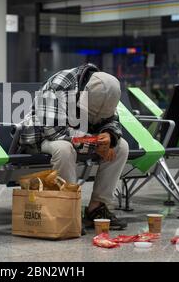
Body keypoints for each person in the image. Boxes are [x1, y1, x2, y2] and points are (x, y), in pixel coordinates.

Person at [19, 63, 129, 230]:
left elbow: (112, 121)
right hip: (40, 138)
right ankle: (69, 210)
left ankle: (97, 208)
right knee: (64, 149)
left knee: (121, 147)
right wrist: (94, 145)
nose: (95, 118)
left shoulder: (106, 90)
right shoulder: (59, 85)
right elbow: (53, 131)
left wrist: (108, 135)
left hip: (81, 138)